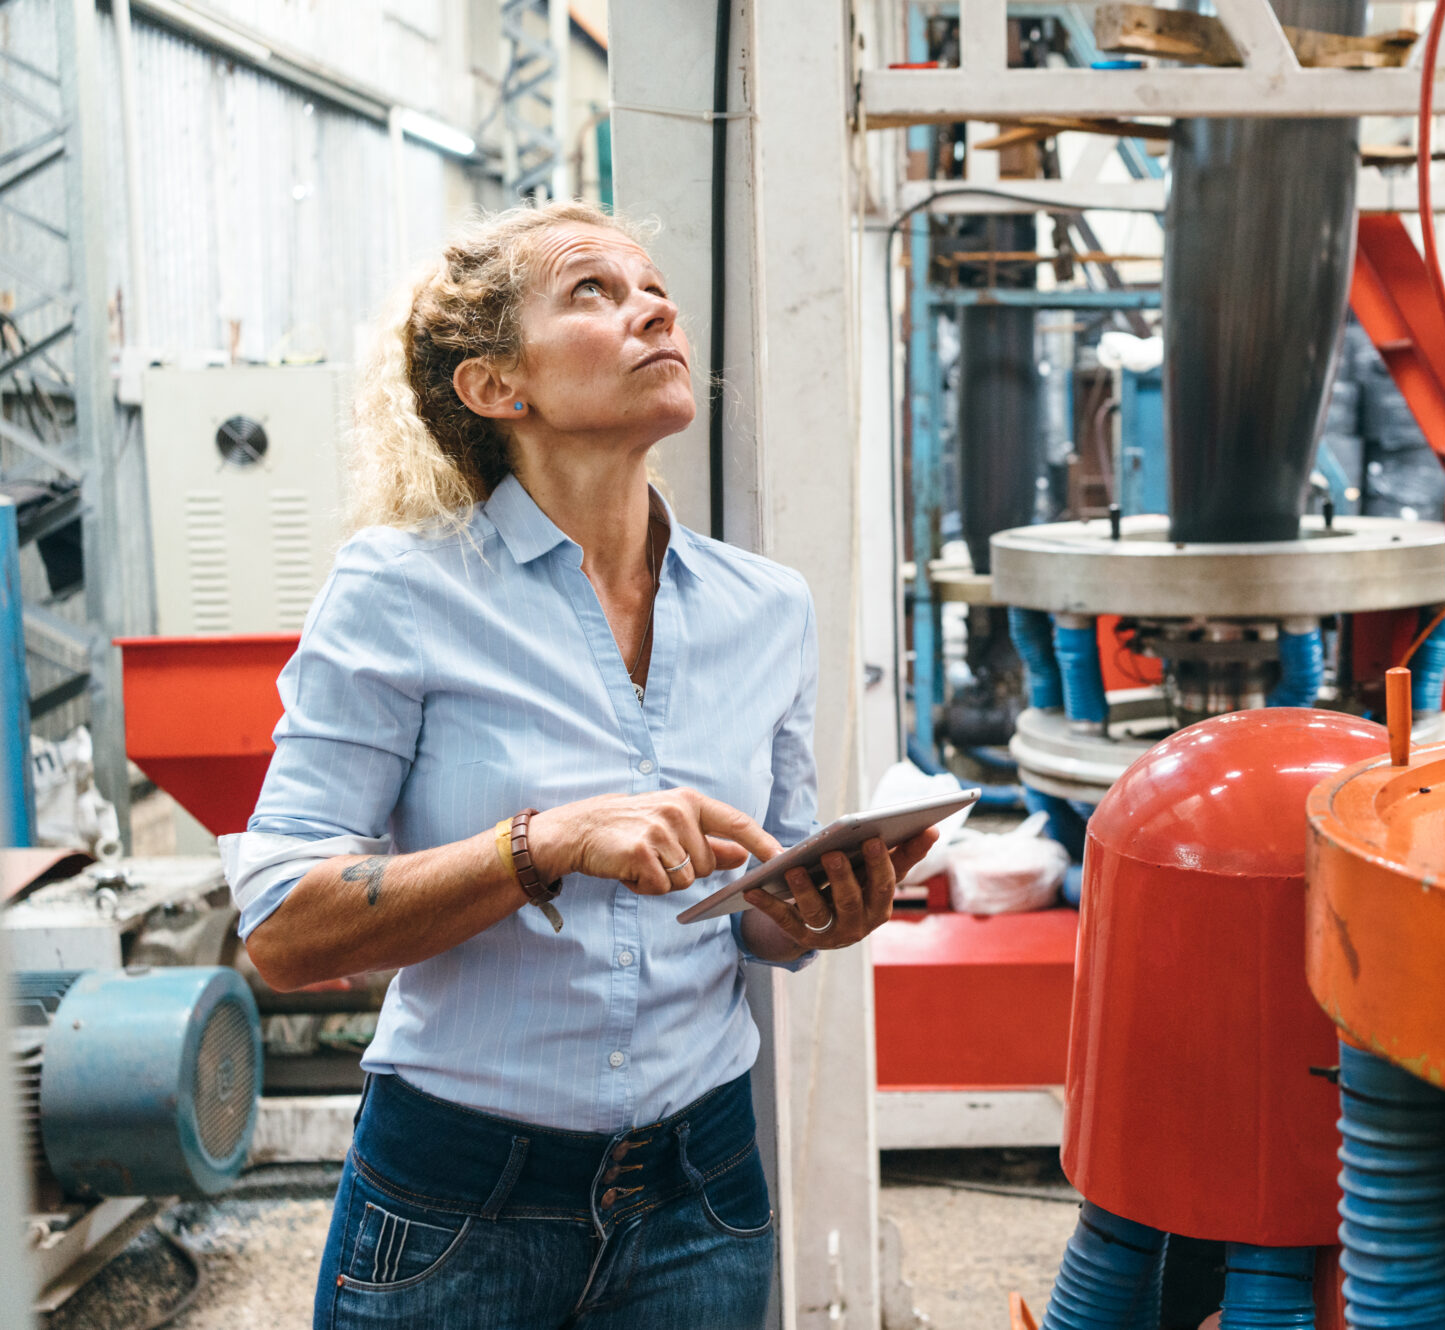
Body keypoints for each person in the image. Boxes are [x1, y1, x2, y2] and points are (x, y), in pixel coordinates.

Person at [224, 200, 934, 1329]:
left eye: (652, 285)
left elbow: (752, 913)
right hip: (458, 1200)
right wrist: (540, 843)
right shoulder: (401, 592)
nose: (653, 305)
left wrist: (814, 911)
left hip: (699, 1190)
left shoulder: (768, 608)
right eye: (592, 292)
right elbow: (282, 926)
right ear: (498, 388)